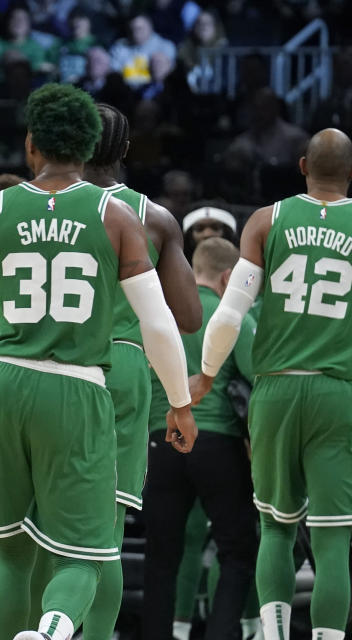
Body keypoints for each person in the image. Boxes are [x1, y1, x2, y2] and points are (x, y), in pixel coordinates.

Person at [0, 84, 197, 640]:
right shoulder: (121, 217)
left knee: (10, 552)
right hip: (80, 382)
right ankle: (55, 630)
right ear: (87, 147)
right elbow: (165, 324)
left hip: (3, 382)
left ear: (31, 145)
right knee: (88, 550)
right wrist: (179, 403)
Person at [190, 128, 352, 640]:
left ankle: (274, 635)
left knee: (276, 530)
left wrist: (207, 376)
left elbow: (229, 317)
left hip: (276, 391)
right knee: (332, 540)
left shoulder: (266, 220)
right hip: (337, 392)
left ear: (302, 165)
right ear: (349, 173)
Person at [78, 102, 202, 640]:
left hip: (42, 362)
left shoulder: (26, 207)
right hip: (122, 368)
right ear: (127, 151)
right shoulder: (152, 217)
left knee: (31, 530)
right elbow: (189, 318)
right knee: (103, 534)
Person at [144, 237, 259, 640]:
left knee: (161, 557)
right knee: (238, 550)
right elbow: (254, 372)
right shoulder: (230, 317)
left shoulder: (162, 317)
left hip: (160, 442)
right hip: (217, 442)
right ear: (228, 277)